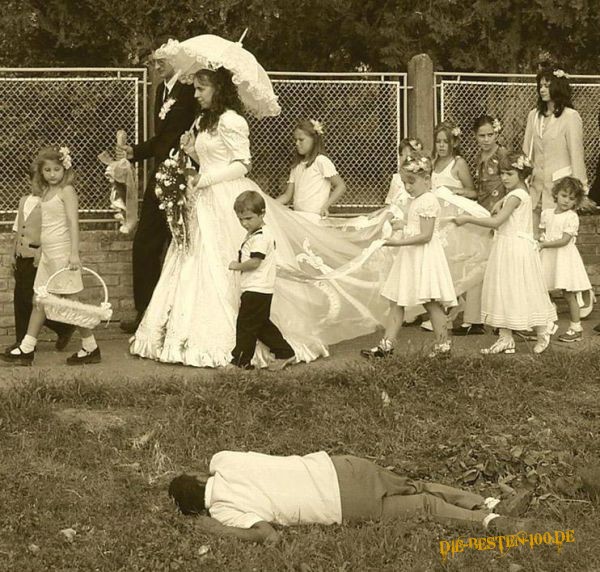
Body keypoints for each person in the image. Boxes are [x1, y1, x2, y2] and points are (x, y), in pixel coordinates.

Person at [129, 61, 387, 368]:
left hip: (227, 197)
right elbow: (210, 158)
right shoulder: (204, 121)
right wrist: (192, 151)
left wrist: (206, 178)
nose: (196, 94)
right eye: (195, 88)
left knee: (228, 264)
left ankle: (256, 341)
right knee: (193, 260)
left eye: (201, 88)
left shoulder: (232, 120)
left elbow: (242, 163)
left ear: (218, 89)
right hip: (204, 199)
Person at [168, 450, 532, 544]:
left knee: (421, 506)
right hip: (340, 467)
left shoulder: (224, 512)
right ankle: (489, 502)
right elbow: (218, 463)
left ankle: (493, 521)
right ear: (201, 477)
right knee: (414, 485)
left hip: (342, 505)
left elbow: (268, 535)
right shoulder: (221, 462)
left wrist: (217, 530)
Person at [118, 40, 196, 334]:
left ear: (176, 60)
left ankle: (175, 315)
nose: (156, 66)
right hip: (161, 176)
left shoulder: (189, 91)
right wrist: (135, 153)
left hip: (181, 176)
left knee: (181, 246)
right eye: (153, 63)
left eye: (161, 61)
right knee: (145, 244)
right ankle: (145, 313)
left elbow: (181, 137)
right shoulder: (162, 91)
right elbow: (162, 138)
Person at [1, 147, 101, 366]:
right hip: (48, 254)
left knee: (72, 303)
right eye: (47, 170)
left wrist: (74, 253)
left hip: (63, 254)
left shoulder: (67, 191)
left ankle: (91, 347)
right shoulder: (45, 192)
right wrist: (41, 253)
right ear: (41, 172)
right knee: (40, 298)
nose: (52, 174)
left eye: (57, 169)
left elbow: (73, 223)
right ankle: (27, 348)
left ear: (64, 169)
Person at [453, 152, 557, 355]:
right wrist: (500, 202)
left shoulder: (516, 196)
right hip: (506, 246)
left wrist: (467, 219)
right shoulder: (515, 194)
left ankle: (543, 329)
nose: (504, 178)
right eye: (502, 173)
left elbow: (496, 222)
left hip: (515, 248)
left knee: (520, 290)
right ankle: (505, 337)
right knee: (504, 290)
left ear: (521, 173)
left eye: (509, 173)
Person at [361, 152, 457, 359]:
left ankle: (443, 346)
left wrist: (398, 242)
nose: (408, 187)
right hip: (411, 256)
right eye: (405, 182)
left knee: (431, 301)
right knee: (396, 300)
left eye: (411, 181)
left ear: (427, 179)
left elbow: (426, 235)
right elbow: (416, 227)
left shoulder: (429, 200)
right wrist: (402, 225)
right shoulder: (417, 200)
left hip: (424, 256)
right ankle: (387, 344)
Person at [7, 168, 74, 352]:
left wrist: (42, 252)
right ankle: (23, 340)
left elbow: (52, 230)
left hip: (37, 257)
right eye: (33, 180)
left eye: (39, 181)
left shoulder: (47, 202)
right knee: (20, 299)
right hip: (22, 256)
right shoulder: (24, 201)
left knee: (33, 299)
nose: (36, 184)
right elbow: (18, 229)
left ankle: (60, 328)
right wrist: (13, 253)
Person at [228, 191, 296, 370]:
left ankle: (241, 362)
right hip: (260, 287)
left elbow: (255, 262)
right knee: (261, 324)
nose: (244, 223)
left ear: (262, 213)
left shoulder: (261, 237)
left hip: (256, 288)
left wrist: (237, 265)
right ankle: (285, 352)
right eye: (240, 219)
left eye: (249, 218)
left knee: (246, 325)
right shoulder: (258, 232)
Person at [430, 121, 486, 337]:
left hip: (456, 221)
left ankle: (469, 316)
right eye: (438, 141)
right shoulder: (433, 162)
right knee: (443, 265)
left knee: (460, 265)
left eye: (445, 141)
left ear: (453, 142)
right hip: (439, 221)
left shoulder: (458, 163)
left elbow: (472, 192)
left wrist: (452, 191)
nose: (442, 146)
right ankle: (447, 311)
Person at [523, 67, 588, 223]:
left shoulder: (570, 116)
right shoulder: (534, 115)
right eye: (541, 86)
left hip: (560, 189)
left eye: (547, 85)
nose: (542, 89)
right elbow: (527, 150)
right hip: (535, 189)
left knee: (555, 235)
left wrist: (582, 190)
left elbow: (576, 155)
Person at [538, 177, 592, 343]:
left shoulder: (571, 217)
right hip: (549, 257)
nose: (566, 201)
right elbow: (542, 232)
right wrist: (540, 239)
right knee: (543, 291)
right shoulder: (546, 214)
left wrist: (544, 244)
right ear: (556, 194)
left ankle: (576, 327)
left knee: (568, 294)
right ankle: (543, 325)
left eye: (571, 198)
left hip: (564, 258)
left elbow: (564, 240)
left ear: (576, 201)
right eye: (563, 195)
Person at [276, 119, 346, 223]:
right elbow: (287, 196)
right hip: (299, 216)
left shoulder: (321, 161)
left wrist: (326, 206)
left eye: (301, 140)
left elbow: (341, 186)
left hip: (314, 217)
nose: (297, 143)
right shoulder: (296, 166)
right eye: (295, 140)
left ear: (314, 140)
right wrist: (269, 203)